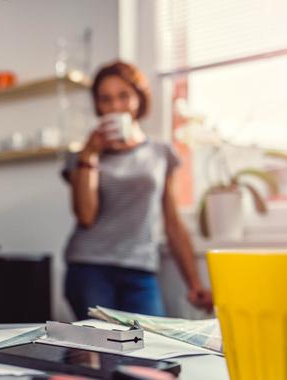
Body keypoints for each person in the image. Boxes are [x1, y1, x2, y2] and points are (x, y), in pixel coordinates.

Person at [61, 61, 213, 319]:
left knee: (151, 350)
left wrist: (194, 284)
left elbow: (173, 223)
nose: (115, 106)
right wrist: (90, 154)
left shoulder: (161, 154)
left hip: (140, 269)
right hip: (89, 267)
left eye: (124, 96)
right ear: (97, 104)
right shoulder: (81, 156)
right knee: (98, 355)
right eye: (105, 99)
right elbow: (85, 216)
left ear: (139, 99)